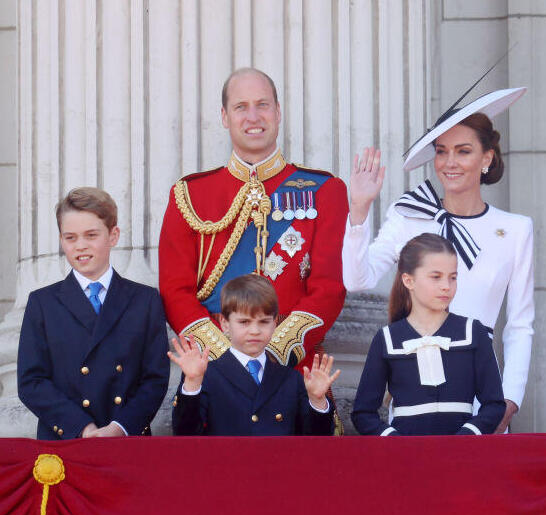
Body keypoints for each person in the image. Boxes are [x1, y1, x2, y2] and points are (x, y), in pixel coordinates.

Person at [344, 87, 533, 433]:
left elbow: (519, 325)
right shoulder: (409, 215)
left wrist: (509, 400)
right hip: (415, 389)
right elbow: (358, 280)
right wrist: (358, 211)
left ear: (487, 157)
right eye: (442, 151)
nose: (449, 162)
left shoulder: (516, 230)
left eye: (463, 151)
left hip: (482, 393)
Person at [159, 67, 348, 375]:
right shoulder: (189, 195)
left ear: (278, 112)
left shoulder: (325, 191)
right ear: (224, 116)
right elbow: (175, 290)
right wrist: (226, 359)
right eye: (240, 107)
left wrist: (273, 354)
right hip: (214, 374)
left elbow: (329, 288)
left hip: (293, 373)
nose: (253, 117)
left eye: (262, 105)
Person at [18, 187, 170, 439]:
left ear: (113, 235)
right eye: (70, 237)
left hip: (127, 440)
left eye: (91, 235)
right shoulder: (42, 303)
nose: (81, 246)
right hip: (66, 441)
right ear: (61, 240)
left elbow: (155, 378)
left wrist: (120, 428)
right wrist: (82, 427)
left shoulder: (145, 300)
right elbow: (31, 382)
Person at [351, 234, 505, 436]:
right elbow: (363, 413)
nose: (446, 286)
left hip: (462, 459)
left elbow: (494, 404)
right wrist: (395, 441)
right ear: (408, 280)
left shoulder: (473, 332)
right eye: (436, 277)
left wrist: (467, 436)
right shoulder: (387, 339)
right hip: (408, 460)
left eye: (453, 277)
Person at [169, 274, 339, 436]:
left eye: (264, 322)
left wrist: (317, 401)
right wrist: (191, 385)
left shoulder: (291, 379)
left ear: (274, 324)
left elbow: (316, 441)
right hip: (225, 465)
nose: (255, 331)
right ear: (225, 323)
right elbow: (185, 433)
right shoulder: (206, 375)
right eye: (244, 322)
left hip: (279, 465)